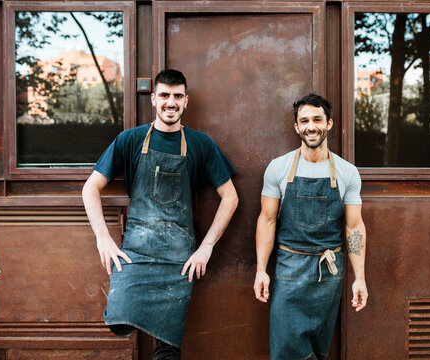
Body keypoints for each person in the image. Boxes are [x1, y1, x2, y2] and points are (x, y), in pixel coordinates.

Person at [82, 69, 238, 360]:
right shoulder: (130, 140)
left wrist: (206, 248)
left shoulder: (200, 144)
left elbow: (230, 197)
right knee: (119, 316)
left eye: (177, 96)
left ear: (186, 101)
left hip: (179, 260)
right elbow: (90, 189)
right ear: (153, 99)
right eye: (164, 95)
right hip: (135, 255)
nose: (171, 101)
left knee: (167, 348)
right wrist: (103, 238)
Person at [253, 93, 368, 360]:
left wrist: (359, 278)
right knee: (286, 350)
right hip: (289, 269)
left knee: (318, 350)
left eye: (317, 119)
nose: (311, 126)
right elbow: (267, 220)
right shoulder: (278, 168)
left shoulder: (347, 172)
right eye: (304, 121)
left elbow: (354, 228)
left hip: (329, 274)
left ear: (329, 124)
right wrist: (261, 270)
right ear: (296, 127)